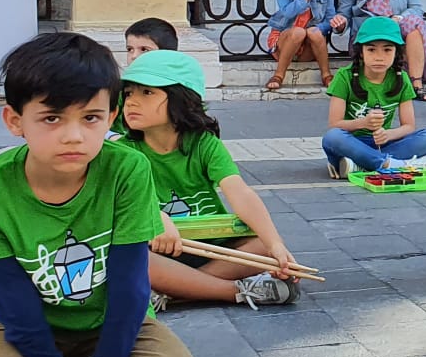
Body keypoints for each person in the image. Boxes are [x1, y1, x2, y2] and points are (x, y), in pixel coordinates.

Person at [0, 33, 200, 357]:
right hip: (14, 319)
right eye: (52, 118)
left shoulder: (127, 169)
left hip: (102, 315)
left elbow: (130, 281)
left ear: (110, 116)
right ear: (15, 121)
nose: (73, 135)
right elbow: (8, 293)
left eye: (90, 118)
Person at [117, 50, 300, 310]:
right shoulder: (124, 152)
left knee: (262, 245)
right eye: (128, 94)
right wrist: (154, 215)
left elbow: (239, 193)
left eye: (147, 92)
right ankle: (232, 291)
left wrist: (276, 246)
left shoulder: (204, 144)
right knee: (133, 258)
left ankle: (175, 291)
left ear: (181, 99)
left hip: (212, 248)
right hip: (161, 251)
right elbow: (123, 201)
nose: (132, 102)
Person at [322, 16, 426, 177]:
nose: (379, 57)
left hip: (383, 142)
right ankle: (390, 164)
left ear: (396, 53)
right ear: (361, 53)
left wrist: (389, 134)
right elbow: (335, 124)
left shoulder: (402, 78)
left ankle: (362, 164)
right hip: (352, 143)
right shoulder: (345, 77)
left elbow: (409, 126)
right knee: (332, 137)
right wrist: (363, 123)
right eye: (371, 50)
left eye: (387, 50)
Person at [264, 0, 337, 91]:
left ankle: (326, 75)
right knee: (298, 31)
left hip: (309, 48)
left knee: (313, 32)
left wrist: (321, 28)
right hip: (285, 43)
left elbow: (330, 19)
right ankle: (278, 75)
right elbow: (286, 13)